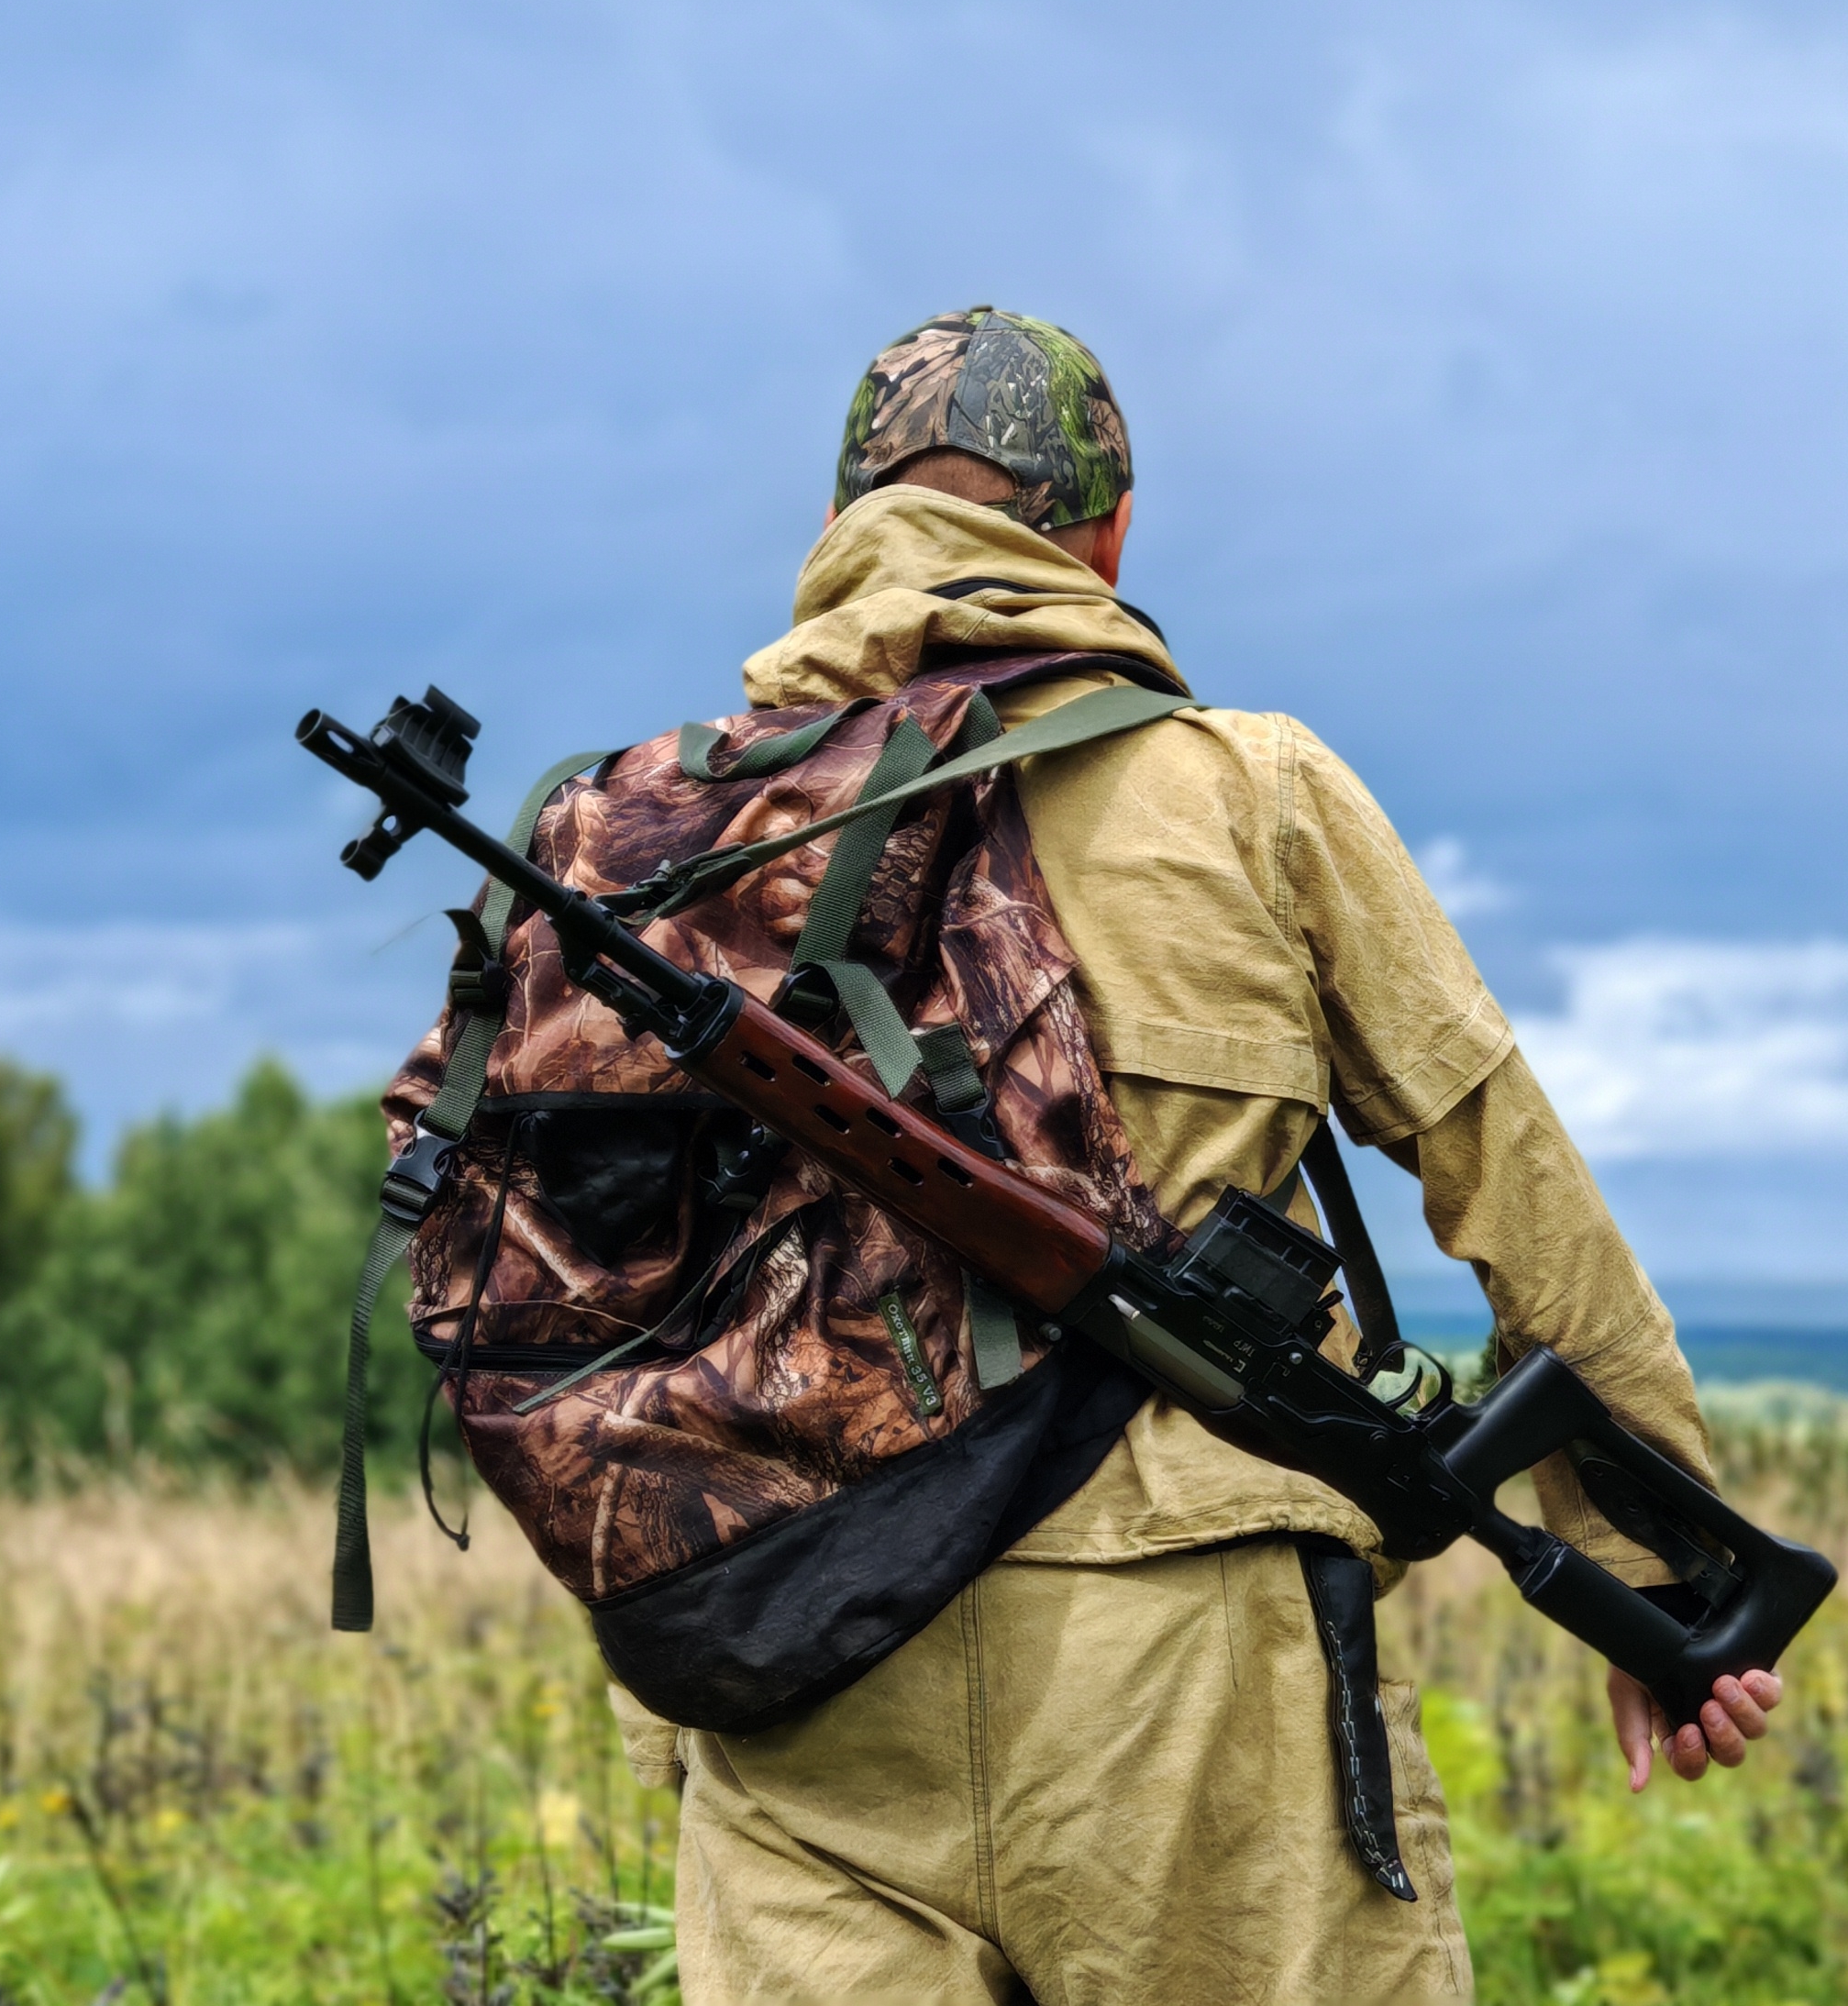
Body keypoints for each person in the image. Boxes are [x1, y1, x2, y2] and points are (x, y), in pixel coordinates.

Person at [609, 305, 1779, 2002]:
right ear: (1105, 533)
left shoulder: (683, 835)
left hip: (801, 1653)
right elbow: (1514, 1191)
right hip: (1188, 1666)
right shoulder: (1252, 792)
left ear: (843, 532)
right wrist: (1656, 1574)